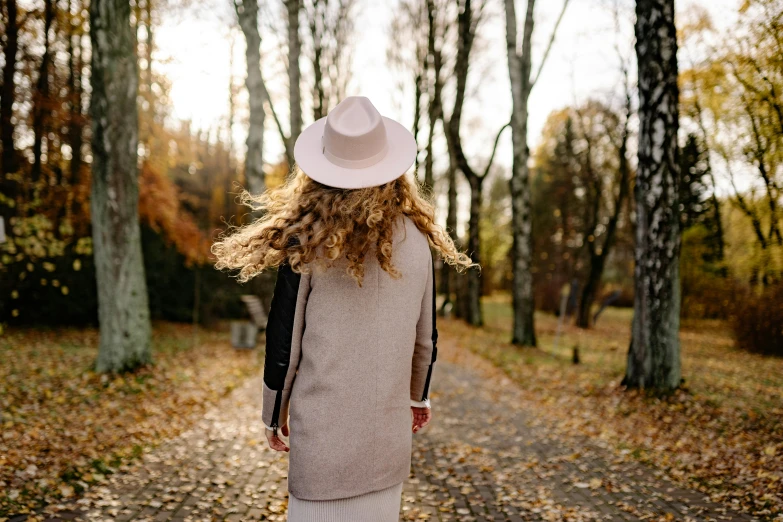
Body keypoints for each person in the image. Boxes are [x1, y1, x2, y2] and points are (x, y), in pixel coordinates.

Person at [212, 96, 473, 521]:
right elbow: (425, 338)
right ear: (391, 170)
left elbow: (285, 342)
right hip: (386, 442)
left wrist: (273, 415)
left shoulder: (308, 241)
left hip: (323, 444)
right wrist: (418, 397)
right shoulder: (418, 241)